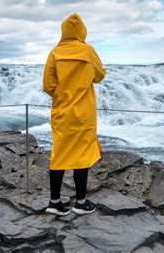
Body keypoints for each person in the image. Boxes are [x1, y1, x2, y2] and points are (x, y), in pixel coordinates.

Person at [42, 13, 106, 216]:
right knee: (82, 154)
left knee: (59, 153)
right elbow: (100, 75)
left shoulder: (55, 52)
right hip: (84, 112)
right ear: (82, 31)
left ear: (64, 30)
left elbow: (48, 85)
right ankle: (80, 202)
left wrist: (63, 94)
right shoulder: (88, 50)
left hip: (62, 111)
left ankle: (55, 202)